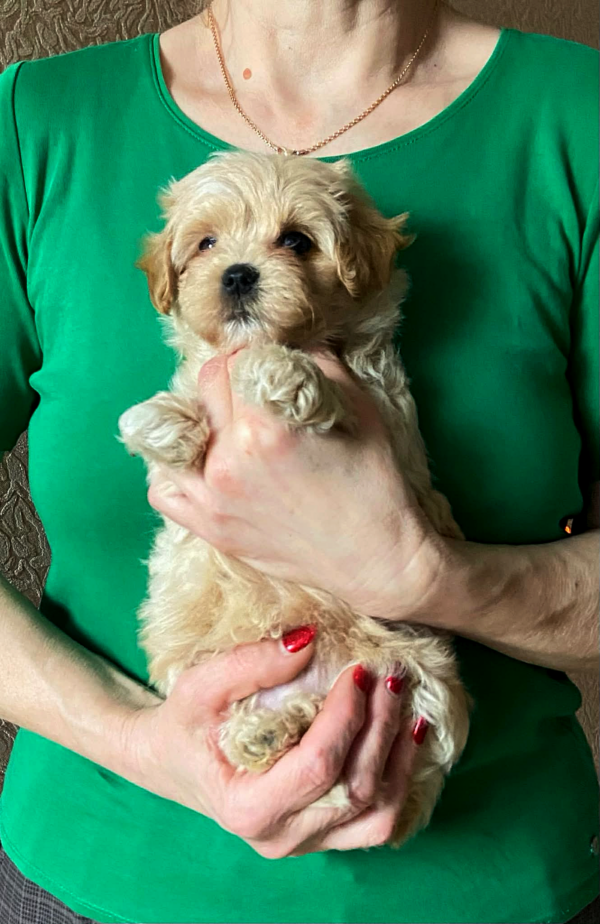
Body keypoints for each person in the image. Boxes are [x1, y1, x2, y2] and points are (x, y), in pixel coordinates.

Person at [0, 0, 598, 921]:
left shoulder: (578, 116)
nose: (243, 268)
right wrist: (136, 738)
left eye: (293, 242)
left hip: (489, 886)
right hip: (88, 874)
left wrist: (422, 576)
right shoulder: (34, 122)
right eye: (211, 248)